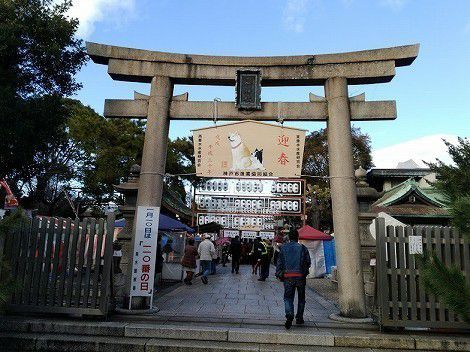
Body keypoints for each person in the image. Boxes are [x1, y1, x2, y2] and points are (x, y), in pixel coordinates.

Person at [276, 228, 311, 329]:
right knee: (301, 298)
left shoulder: (283, 248)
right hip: (300, 277)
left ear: (289, 238)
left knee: (288, 298)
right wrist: (304, 271)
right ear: (297, 237)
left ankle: (289, 314)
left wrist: (279, 273)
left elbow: (279, 262)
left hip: (288, 277)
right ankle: (299, 317)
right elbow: (308, 262)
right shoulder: (303, 248)